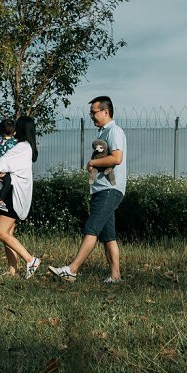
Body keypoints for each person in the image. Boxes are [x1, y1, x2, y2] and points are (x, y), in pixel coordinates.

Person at [52, 95, 126, 283]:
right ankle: (115, 276)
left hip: (110, 188)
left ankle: (72, 270)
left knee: (91, 227)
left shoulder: (114, 131)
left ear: (106, 111)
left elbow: (117, 158)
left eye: (94, 112)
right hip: (101, 189)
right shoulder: (102, 133)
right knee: (108, 236)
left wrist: (92, 162)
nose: (91, 116)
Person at [0, 115, 42, 278]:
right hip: (16, 192)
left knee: (0, 233)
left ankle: (30, 259)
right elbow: (10, 167)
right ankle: (12, 270)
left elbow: (0, 163)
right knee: (8, 234)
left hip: (11, 194)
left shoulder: (21, 147)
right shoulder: (27, 148)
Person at [0, 117, 18, 214]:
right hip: (6, 168)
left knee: (0, 185)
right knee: (7, 182)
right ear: (14, 131)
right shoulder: (15, 142)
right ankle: (0, 201)